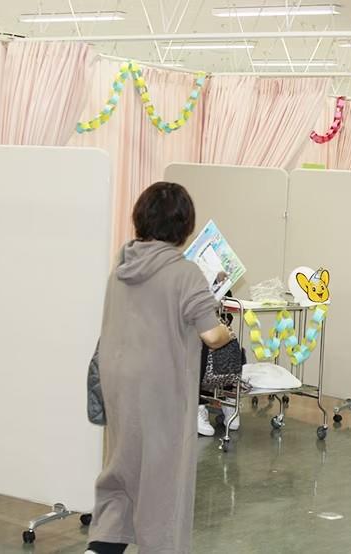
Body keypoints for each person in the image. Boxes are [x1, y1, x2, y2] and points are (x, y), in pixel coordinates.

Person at [87, 182, 232, 554]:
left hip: (118, 381)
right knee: (164, 478)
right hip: (162, 387)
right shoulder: (185, 274)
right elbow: (211, 335)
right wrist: (227, 330)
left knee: (121, 468)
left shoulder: (122, 267)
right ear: (184, 226)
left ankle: (101, 547)